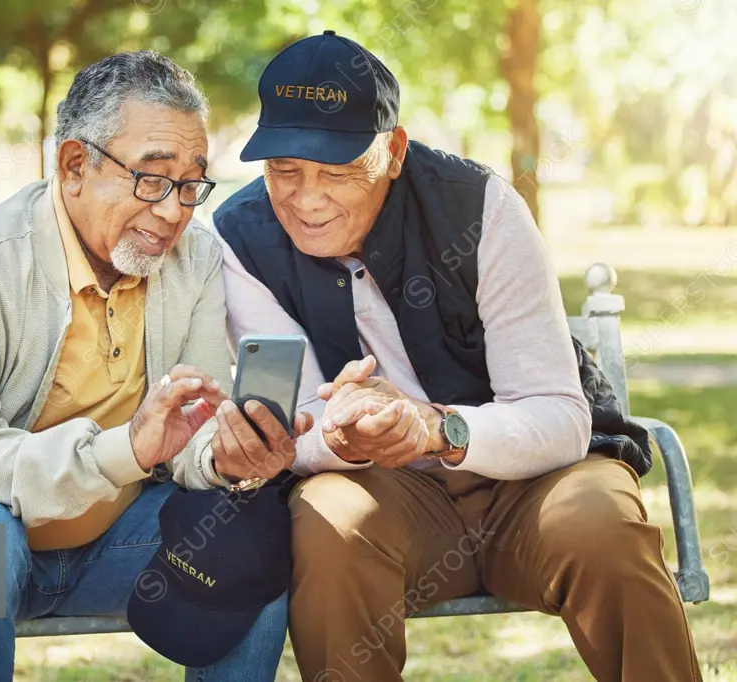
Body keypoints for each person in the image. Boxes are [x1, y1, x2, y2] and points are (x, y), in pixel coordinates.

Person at [213, 31, 702, 682]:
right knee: (328, 523)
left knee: (603, 527)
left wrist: (434, 427)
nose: (307, 200)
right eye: (284, 171)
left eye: (336, 171)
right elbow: (288, 426)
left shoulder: (482, 209)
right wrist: (344, 436)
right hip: (385, 494)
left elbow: (559, 416)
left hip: (537, 479)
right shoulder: (240, 239)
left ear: (393, 151)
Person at [0, 50, 310, 682]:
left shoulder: (193, 259)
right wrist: (126, 450)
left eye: (192, 184)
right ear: (73, 166)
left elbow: (190, 435)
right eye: (152, 178)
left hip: (110, 546)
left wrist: (226, 457)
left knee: (253, 545)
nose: (174, 210)